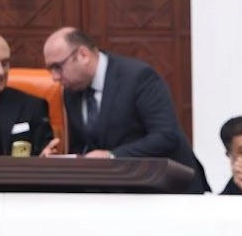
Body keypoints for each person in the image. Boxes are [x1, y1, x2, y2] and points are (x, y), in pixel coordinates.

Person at [42, 27, 210, 194]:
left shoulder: (138, 77)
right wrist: (60, 161)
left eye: (58, 67)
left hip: (165, 189)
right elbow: (83, 146)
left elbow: (166, 136)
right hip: (113, 192)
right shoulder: (71, 91)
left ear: (83, 55)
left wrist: (112, 156)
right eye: (50, 70)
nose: (55, 77)